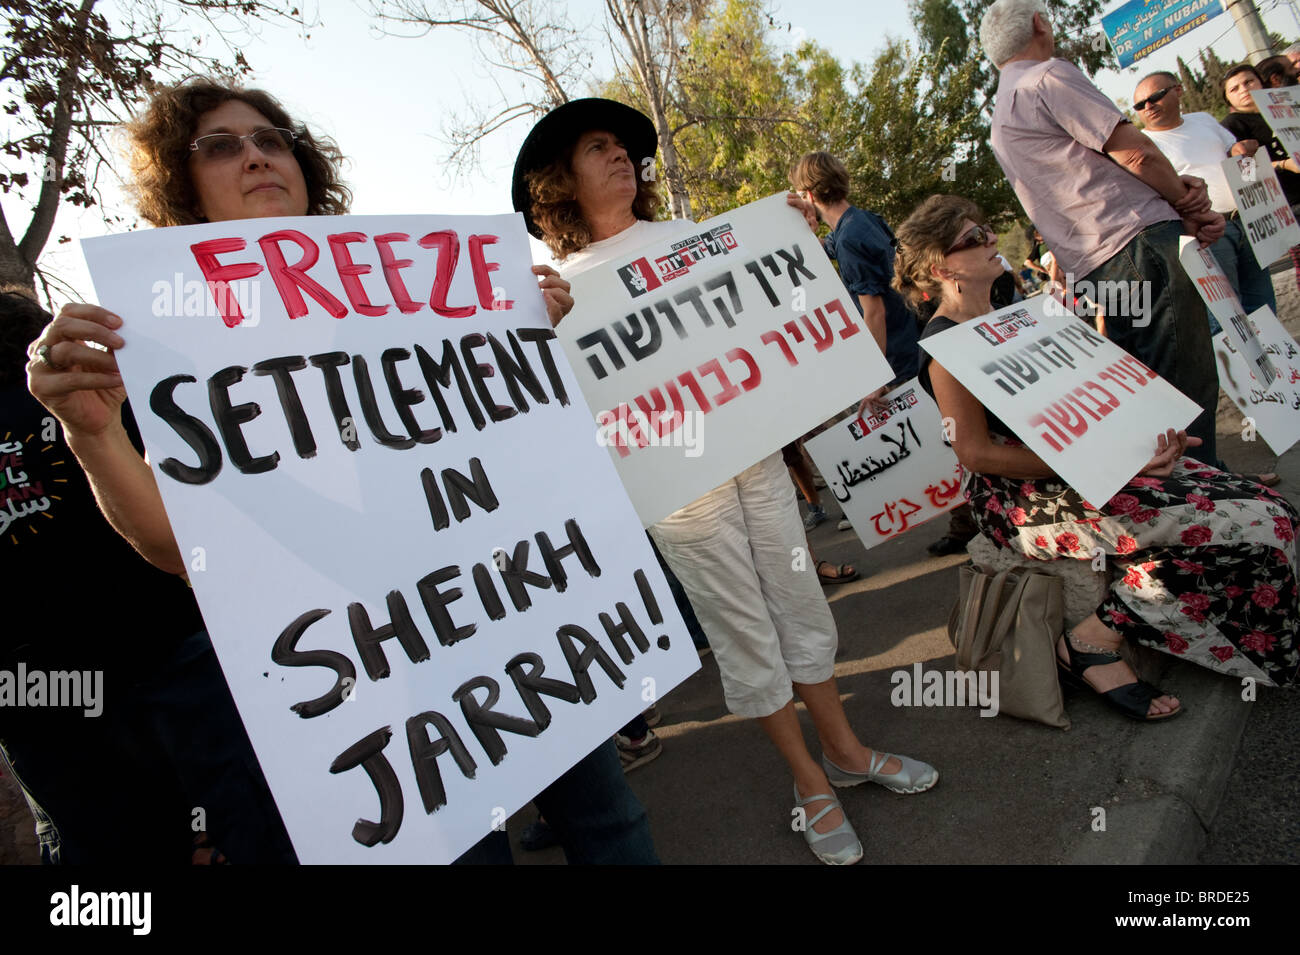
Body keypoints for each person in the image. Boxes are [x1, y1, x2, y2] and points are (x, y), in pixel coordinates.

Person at [27, 77, 654, 866]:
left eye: (270, 139)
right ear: (182, 186)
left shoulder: (417, 287)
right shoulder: (168, 338)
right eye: (219, 146)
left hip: (511, 610)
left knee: (612, 825)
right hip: (377, 665)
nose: (254, 155)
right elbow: (177, 548)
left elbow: (508, 437)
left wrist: (525, 324)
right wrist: (91, 435)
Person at [514, 99, 938, 866]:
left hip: (757, 459)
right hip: (678, 489)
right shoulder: (555, 291)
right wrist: (531, 329)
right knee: (742, 626)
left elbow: (778, 312)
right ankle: (809, 781)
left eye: (624, 148)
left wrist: (787, 236)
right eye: (598, 148)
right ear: (559, 183)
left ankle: (844, 745)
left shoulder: (691, 242)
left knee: (798, 599)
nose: (620, 158)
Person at [893, 194, 1299, 720]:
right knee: (1256, 529)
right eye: (974, 237)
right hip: (1027, 497)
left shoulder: (1020, 314)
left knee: (1272, 509)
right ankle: (1093, 638)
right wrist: (1100, 462)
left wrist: (1149, 439)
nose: (992, 240)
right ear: (939, 267)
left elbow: (1090, 398)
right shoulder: (945, 346)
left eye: (988, 230)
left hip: (1091, 467)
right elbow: (974, 453)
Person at [980, 0, 1224, 466]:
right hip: (1138, 245)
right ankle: (1212, 505)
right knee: (1184, 387)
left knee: (1155, 391)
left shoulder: (1001, 118)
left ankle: (1197, 498)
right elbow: (1137, 154)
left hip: (1095, 266)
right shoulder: (1048, 76)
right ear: (1039, 23)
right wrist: (1185, 200)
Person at [1134, 71, 1278, 323]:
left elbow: (1236, 157)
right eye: (1139, 104)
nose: (1148, 106)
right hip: (1208, 235)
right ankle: (1239, 364)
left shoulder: (1203, 120)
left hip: (1247, 220)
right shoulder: (1143, 146)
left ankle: (1276, 360)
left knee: (1263, 308)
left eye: (1155, 97)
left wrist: (1240, 150)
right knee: (1229, 319)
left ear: (1178, 91)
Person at [1221, 63, 1300, 294]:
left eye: (1249, 82)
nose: (1244, 89)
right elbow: (1246, 173)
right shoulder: (1231, 127)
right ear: (1227, 99)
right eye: (1234, 89)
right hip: (1287, 204)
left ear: (1261, 82)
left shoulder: (1287, 108)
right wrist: (1284, 164)